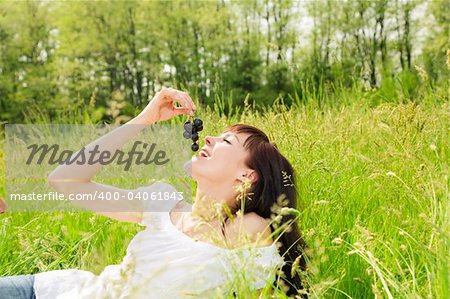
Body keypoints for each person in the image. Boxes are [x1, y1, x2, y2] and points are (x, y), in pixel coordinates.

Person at [0, 87, 307, 298]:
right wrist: (144, 119)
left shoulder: (245, 229)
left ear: (247, 175)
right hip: (49, 289)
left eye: (226, 142)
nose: (210, 138)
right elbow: (65, 180)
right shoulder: (162, 203)